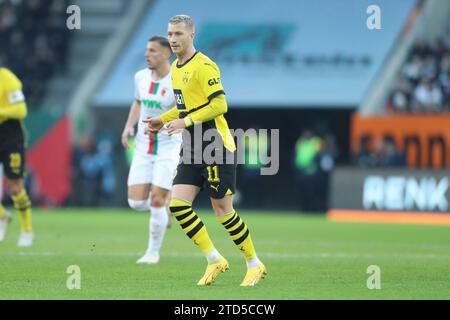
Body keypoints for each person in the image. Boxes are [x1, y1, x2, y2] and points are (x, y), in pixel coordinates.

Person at [146, 15, 266, 286]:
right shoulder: (176, 67)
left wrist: (184, 121)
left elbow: (220, 105)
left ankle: (254, 263)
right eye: (170, 34)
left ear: (191, 36)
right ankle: (214, 259)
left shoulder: (204, 65)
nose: (173, 39)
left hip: (216, 146)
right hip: (192, 146)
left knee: (223, 211)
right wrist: (163, 119)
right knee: (178, 205)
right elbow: (186, 107)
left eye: (178, 34)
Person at [121, 36, 182, 264]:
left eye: (153, 51)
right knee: (136, 203)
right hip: (143, 148)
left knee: (155, 199)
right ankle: (165, 207)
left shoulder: (177, 80)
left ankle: (152, 253)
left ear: (166, 54)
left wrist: (166, 124)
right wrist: (128, 126)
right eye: (147, 50)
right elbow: (138, 102)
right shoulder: (140, 77)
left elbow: (184, 111)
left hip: (168, 146)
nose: (147, 54)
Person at [0, 67, 33, 246]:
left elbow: (21, 110)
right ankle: (3, 216)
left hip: (10, 136)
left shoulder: (8, 78)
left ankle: (27, 229)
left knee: (15, 187)